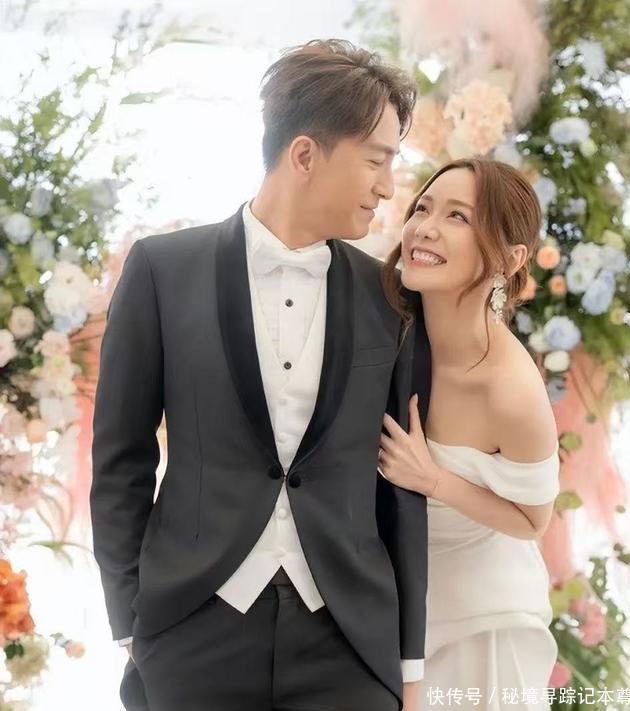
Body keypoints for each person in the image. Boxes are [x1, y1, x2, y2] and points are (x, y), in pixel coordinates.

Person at [90, 39, 430, 711]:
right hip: (190, 630)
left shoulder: (390, 298)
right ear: (304, 155)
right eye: (376, 160)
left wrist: (408, 660)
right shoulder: (162, 270)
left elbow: (399, 486)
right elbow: (120, 456)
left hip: (350, 642)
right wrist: (130, 621)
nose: (388, 186)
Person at [378, 157, 560, 711]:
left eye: (458, 216)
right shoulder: (388, 330)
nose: (425, 228)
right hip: (394, 606)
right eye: (423, 208)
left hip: (482, 621)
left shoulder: (510, 389)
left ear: (510, 258)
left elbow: (533, 520)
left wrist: (433, 480)